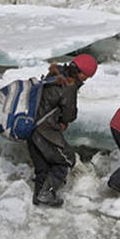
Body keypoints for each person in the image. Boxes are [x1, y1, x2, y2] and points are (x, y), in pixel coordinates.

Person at [28, 53, 97, 207]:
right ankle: (46, 194)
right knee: (65, 160)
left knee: (42, 165)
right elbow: (69, 113)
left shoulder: (54, 73)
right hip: (45, 130)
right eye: (87, 76)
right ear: (81, 73)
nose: (86, 79)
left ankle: (39, 196)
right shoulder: (69, 85)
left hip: (31, 124)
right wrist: (63, 122)